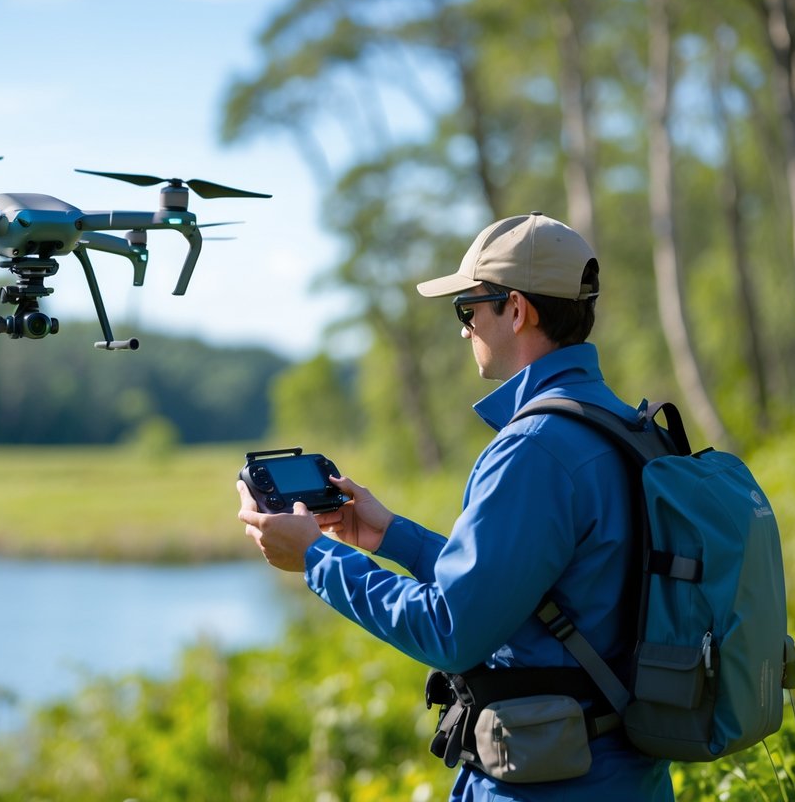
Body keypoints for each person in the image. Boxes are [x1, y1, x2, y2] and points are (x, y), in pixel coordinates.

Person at [236, 212, 674, 801]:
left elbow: (451, 631)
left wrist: (316, 560)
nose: (464, 329)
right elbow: (539, 596)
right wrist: (390, 536)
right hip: (625, 775)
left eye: (468, 310)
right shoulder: (624, 425)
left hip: (550, 783)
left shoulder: (533, 448)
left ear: (516, 311)